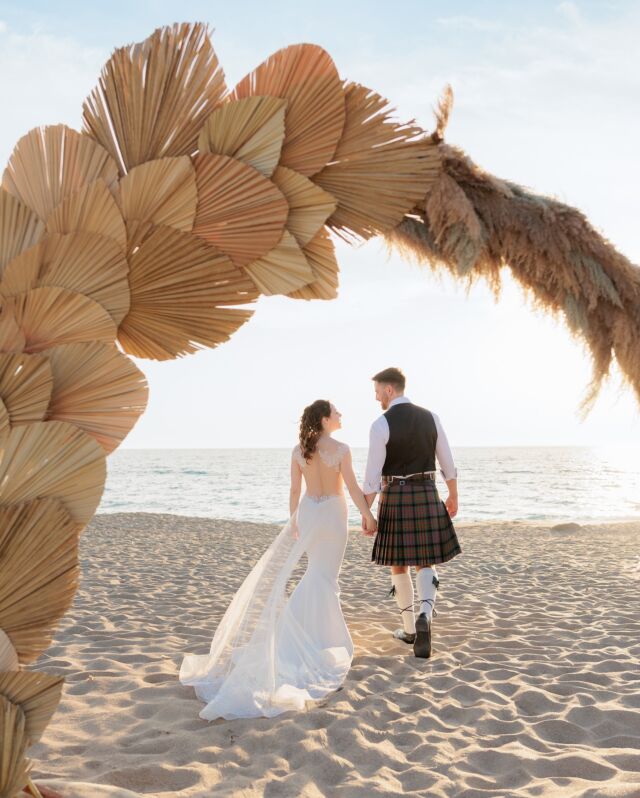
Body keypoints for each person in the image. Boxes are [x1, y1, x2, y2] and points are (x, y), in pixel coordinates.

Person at [179, 399, 377, 720]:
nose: (341, 415)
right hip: (334, 514)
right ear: (325, 419)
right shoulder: (341, 448)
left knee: (317, 572)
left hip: (311, 512)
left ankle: (309, 631)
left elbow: (294, 491)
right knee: (326, 576)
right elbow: (353, 488)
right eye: (336, 412)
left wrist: (294, 521)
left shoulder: (299, 450)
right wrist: (368, 514)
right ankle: (325, 637)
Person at [361, 367, 461, 659]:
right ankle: (426, 615)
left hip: (394, 494)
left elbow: (371, 477)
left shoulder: (380, 424)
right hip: (427, 491)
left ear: (389, 390)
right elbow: (447, 460)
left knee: (398, 564)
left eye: (378, 392)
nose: (377, 397)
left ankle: (409, 629)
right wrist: (453, 493)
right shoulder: (432, 417)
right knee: (426, 561)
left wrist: (366, 512)